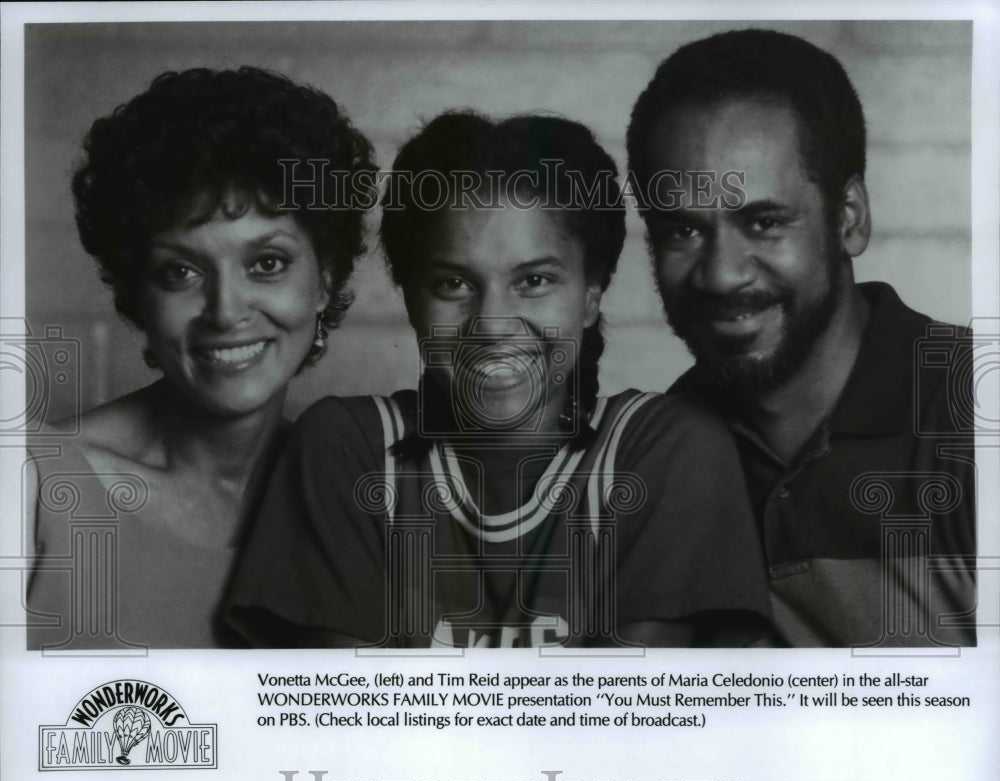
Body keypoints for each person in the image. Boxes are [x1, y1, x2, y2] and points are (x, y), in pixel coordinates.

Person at [226, 112, 772, 649]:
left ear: (591, 294)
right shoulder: (349, 448)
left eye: (534, 280)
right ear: (411, 299)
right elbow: (350, 705)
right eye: (453, 283)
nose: (491, 324)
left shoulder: (664, 448)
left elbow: (625, 705)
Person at [626, 29, 976, 647]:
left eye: (763, 222)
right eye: (682, 231)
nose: (721, 275)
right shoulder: (654, 457)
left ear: (850, 219)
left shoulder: (975, 418)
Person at [25, 66, 376, 649]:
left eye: (267, 263)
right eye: (181, 272)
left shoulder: (353, 500)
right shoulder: (33, 486)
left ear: (325, 280)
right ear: (138, 295)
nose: (226, 311)